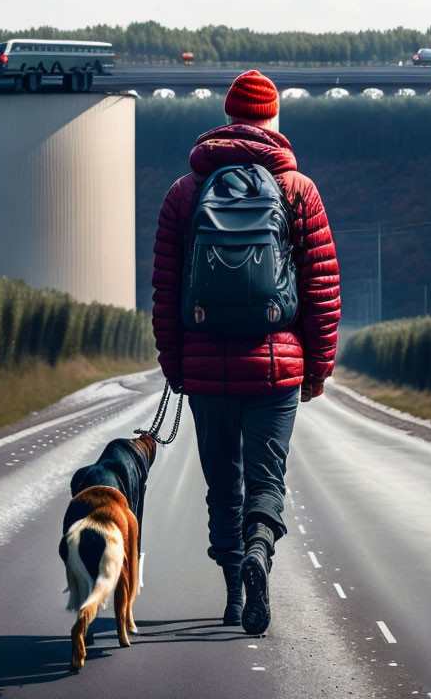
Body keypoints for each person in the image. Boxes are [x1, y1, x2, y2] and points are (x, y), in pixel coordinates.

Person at [151, 70, 340, 634]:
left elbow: (165, 290)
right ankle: (261, 551)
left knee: (221, 485)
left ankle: (234, 591)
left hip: (207, 370)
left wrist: (176, 364)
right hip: (277, 365)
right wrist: (318, 368)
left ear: (228, 118)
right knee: (266, 480)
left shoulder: (184, 193)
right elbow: (322, 287)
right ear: (273, 120)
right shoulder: (297, 190)